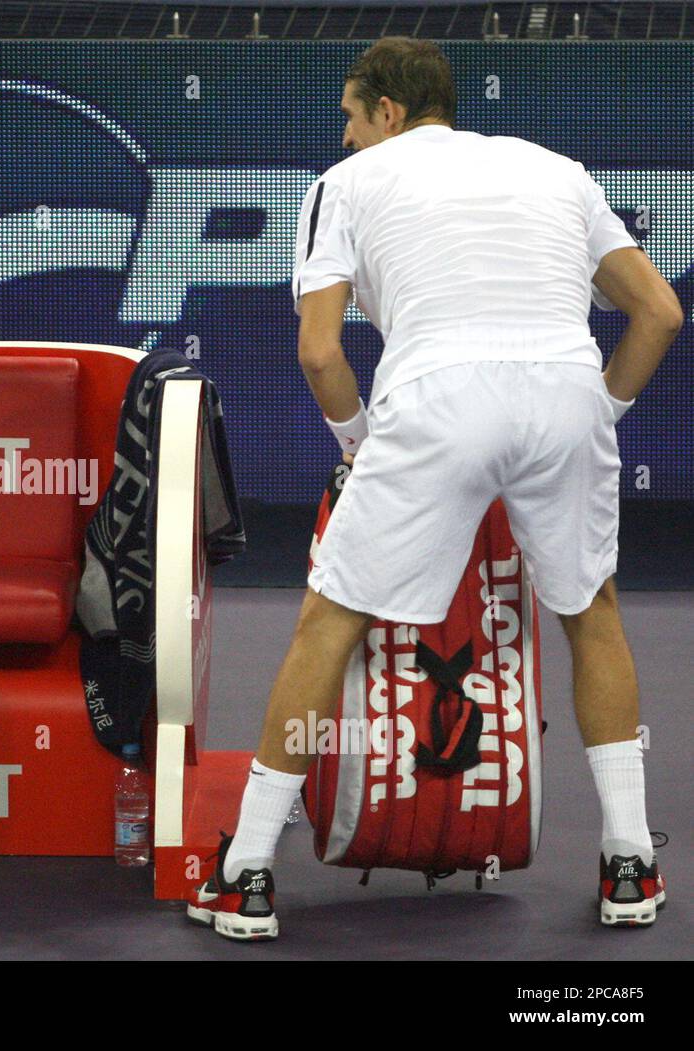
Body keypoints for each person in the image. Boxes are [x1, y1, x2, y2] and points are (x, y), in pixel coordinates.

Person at [188, 37, 681, 940]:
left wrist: (358, 446)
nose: (341, 137)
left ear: (388, 112)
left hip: (438, 403)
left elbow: (319, 349)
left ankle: (247, 871)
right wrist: (598, 412)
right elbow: (659, 312)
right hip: (565, 396)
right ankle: (628, 861)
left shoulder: (345, 187)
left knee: (328, 619)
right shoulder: (558, 171)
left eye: (349, 115)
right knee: (592, 609)